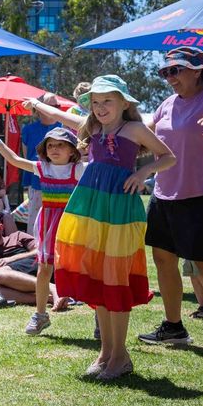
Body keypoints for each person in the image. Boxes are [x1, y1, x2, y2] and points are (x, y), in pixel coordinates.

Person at [26, 75, 175, 380]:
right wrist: (37, 104)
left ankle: (120, 356)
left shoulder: (134, 128)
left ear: (124, 103)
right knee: (96, 276)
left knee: (114, 277)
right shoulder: (92, 127)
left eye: (108, 100)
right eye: (95, 102)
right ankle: (106, 353)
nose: (101, 107)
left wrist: (143, 173)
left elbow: (168, 157)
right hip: (91, 207)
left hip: (119, 208)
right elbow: (60, 114)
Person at [137, 47, 203, 358]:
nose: (170, 77)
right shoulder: (167, 105)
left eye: (176, 70)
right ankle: (174, 326)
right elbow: (149, 140)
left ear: (197, 70)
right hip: (164, 195)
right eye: (166, 72)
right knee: (163, 260)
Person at [0, 123, 83, 334]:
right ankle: (40, 315)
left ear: (72, 150)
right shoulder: (42, 167)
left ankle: (100, 318)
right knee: (44, 268)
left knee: (82, 269)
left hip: (72, 224)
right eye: (50, 145)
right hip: (47, 224)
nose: (54, 149)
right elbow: (15, 160)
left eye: (60, 145)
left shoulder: (79, 169)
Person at [19, 93, 60, 233]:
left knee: (57, 222)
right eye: (52, 106)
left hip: (61, 183)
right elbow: (26, 157)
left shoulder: (65, 129)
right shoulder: (28, 130)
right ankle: (33, 253)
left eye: (58, 106)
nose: (56, 109)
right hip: (36, 182)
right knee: (35, 222)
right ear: (40, 108)